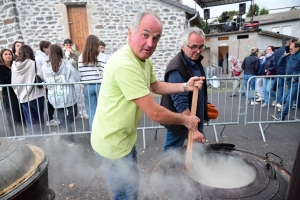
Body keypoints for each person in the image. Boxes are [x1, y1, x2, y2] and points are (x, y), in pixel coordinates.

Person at [91, 11, 204, 200]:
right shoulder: (125, 64)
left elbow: (155, 86)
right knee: (125, 193)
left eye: (156, 38)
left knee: (132, 185)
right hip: (111, 143)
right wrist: (186, 120)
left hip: (124, 139)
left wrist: (185, 86)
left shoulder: (143, 60)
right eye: (145, 35)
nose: (150, 44)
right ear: (130, 33)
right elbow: (154, 112)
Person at [161, 27, 207, 152]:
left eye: (201, 47)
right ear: (183, 46)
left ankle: (195, 170)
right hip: (179, 120)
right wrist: (194, 130)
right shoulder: (177, 68)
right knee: (172, 152)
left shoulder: (194, 60)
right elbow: (180, 103)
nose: (198, 51)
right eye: (194, 47)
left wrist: (204, 105)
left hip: (195, 117)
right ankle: (167, 172)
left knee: (198, 151)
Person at [42, 44, 81, 146]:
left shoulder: (45, 66)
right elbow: (75, 77)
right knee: (71, 114)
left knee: (63, 118)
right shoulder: (66, 63)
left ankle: (65, 132)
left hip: (55, 95)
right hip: (68, 95)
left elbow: (46, 80)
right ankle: (69, 138)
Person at [11, 45, 44, 135]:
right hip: (36, 94)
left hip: (22, 96)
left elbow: (13, 82)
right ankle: (41, 137)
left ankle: (34, 138)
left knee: (29, 118)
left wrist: (19, 93)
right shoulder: (33, 63)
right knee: (39, 118)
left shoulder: (14, 65)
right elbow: (41, 76)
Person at [78, 35, 109, 131]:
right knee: (104, 111)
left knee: (92, 113)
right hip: (100, 85)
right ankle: (104, 134)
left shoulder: (80, 57)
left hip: (87, 86)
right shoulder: (103, 57)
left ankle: (94, 135)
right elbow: (107, 72)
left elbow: (80, 72)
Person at [272, 42, 300, 121]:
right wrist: (284, 55)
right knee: (298, 98)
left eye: (291, 48)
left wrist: (296, 77)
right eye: (289, 48)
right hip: (289, 79)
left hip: (295, 80)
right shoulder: (289, 55)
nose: (290, 50)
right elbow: (279, 63)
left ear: (297, 48)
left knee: (290, 98)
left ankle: (281, 116)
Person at [35, 40, 60, 126]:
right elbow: (39, 71)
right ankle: (49, 118)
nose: (51, 48)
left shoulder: (51, 56)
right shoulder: (38, 58)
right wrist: (42, 82)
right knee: (49, 101)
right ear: (44, 48)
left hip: (54, 81)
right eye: (49, 46)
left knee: (56, 99)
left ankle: (57, 117)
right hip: (46, 82)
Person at [0, 49, 24, 136]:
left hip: (18, 92)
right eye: (5, 54)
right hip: (8, 94)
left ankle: (21, 132)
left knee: (20, 112)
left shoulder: (14, 65)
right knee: (11, 114)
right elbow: (2, 81)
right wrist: (12, 72)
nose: (8, 56)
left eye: (10, 54)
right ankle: (14, 134)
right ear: (1, 56)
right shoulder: (1, 68)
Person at [273, 37, 292, 108]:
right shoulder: (289, 51)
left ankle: (279, 103)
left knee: (280, 89)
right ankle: (283, 102)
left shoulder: (277, 51)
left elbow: (276, 62)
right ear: (288, 43)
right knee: (290, 88)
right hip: (287, 72)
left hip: (279, 72)